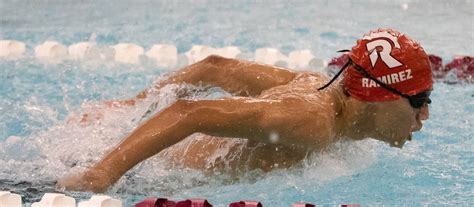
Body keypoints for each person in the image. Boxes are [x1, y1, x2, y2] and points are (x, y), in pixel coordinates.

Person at [57, 28, 432, 193]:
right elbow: (192, 112)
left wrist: (131, 106)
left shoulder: (316, 86)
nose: (424, 116)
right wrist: (101, 175)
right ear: (380, 95)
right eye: (419, 100)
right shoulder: (310, 120)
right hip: (148, 179)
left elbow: (213, 66)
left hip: (144, 161)